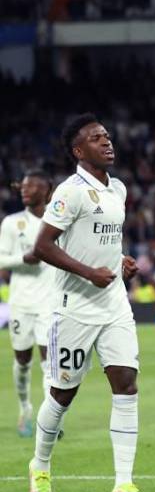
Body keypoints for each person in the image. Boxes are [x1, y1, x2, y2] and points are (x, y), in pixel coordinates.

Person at [27, 113, 152, 492]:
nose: (107, 142)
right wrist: (87, 272)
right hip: (75, 307)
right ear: (79, 151)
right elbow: (43, 245)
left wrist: (121, 261)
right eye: (97, 139)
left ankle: (123, 483)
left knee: (126, 383)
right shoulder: (70, 192)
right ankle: (40, 466)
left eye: (108, 136)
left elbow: (106, 240)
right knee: (63, 393)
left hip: (113, 302)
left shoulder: (118, 188)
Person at [0, 170, 55, 437]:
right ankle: (24, 407)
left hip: (50, 303)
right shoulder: (12, 223)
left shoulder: (58, 221)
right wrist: (25, 258)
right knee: (22, 359)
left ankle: (49, 420)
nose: (25, 189)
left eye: (32, 185)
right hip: (21, 302)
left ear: (47, 190)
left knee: (49, 361)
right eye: (23, 186)